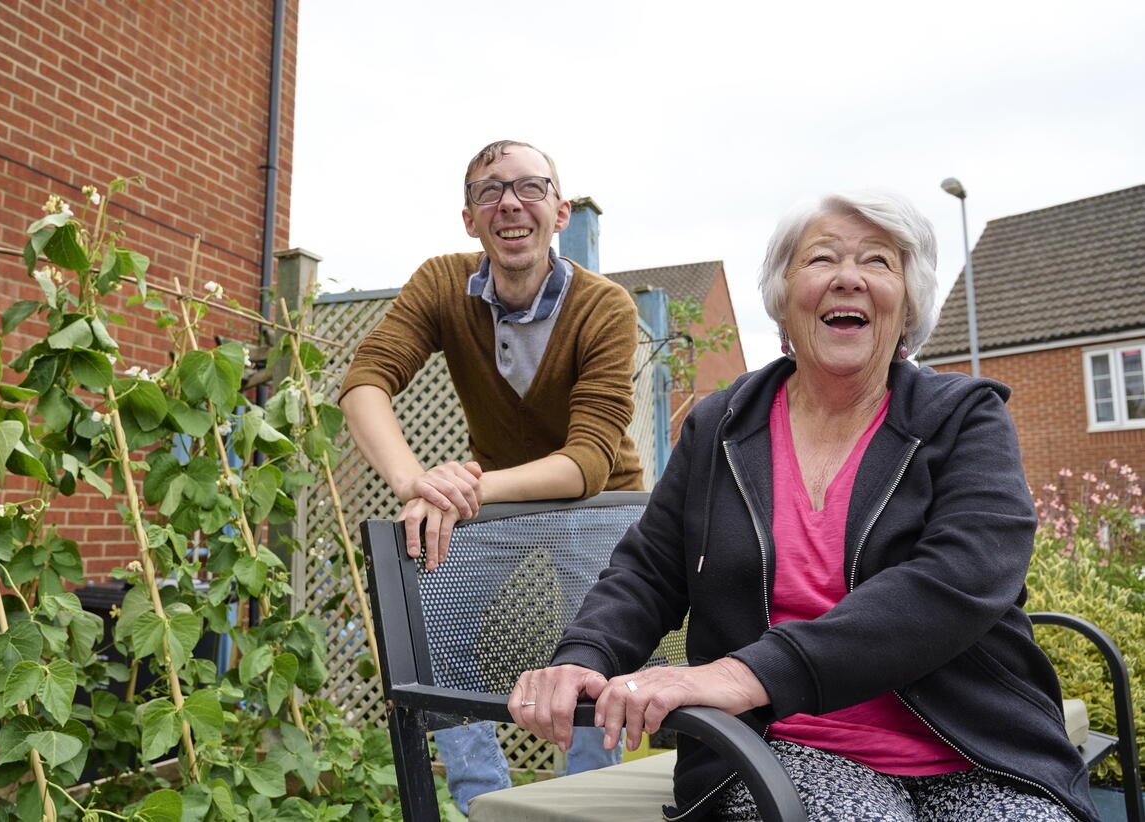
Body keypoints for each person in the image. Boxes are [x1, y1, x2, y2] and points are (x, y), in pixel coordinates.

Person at [510, 190, 1098, 822]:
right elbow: (650, 569)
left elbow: (962, 577)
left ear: (908, 304)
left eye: (878, 261)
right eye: (821, 259)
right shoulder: (720, 426)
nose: (848, 278)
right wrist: (584, 654)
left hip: (972, 747)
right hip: (783, 744)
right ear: (784, 298)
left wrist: (743, 674)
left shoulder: (963, 418)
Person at [338, 140, 644, 815]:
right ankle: (486, 804)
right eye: (488, 190)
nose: (509, 201)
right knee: (434, 634)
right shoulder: (443, 284)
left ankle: (592, 804)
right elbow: (365, 384)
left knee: (592, 657)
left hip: (597, 503)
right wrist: (416, 483)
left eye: (529, 187)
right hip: (498, 505)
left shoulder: (604, 307)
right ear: (468, 219)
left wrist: (466, 490)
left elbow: (587, 459)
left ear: (559, 212)